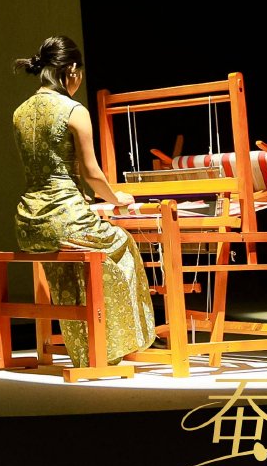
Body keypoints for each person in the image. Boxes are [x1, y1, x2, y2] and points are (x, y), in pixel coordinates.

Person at [10, 36, 158, 368]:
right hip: (64, 217)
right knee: (122, 245)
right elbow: (92, 173)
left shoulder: (20, 112)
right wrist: (116, 198)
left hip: (28, 222)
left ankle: (86, 351)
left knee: (70, 265)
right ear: (72, 70)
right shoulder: (73, 110)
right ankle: (110, 347)